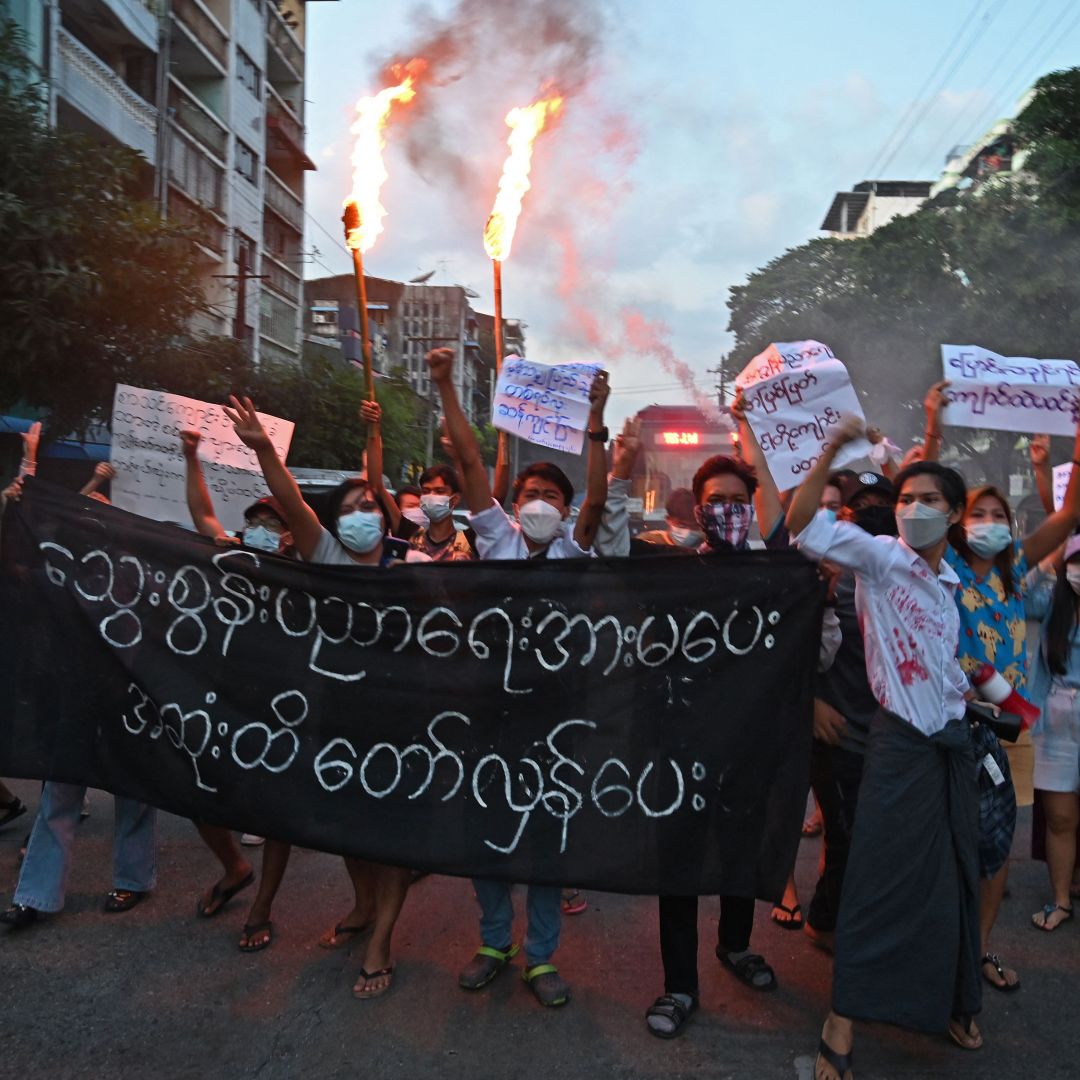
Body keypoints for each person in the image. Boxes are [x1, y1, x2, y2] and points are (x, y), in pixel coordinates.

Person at [787, 418, 982, 1080]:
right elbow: (803, 524)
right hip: (897, 744)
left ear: (954, 513)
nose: (915, 510)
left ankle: (958, 999)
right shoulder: (878, 556)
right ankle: (840, 1024)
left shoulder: (952, 585)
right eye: (907, 499)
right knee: (873, 880)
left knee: (956, 869)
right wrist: (830, 451)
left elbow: (940, 663)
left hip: (948, 744)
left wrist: (974, 699)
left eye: (930, 501)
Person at [222, 394, 427, 998]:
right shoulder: (328, 556)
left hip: (399, 720)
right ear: (335, 522)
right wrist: (263, 450)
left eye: (373, 506)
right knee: (347, 828)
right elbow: (287, 500)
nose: (366, 512)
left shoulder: (413, 564)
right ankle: (363, 906)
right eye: (354, 507)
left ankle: (382, 940)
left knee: (388, 837)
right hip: (336, 717)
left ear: (387, 519)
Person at [427, 345, 609, 1008]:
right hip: (488, 714)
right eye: (530, 494)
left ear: (566, 508)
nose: (539, 502)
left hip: (556, 719)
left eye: (551, 496)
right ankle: (494, 941)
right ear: (514, 502)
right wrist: (446, 384)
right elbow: (471, 462)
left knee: (547, 838)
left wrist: (597, 422)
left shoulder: (572, 548)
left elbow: (600, 497)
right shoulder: (497, 537)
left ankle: (540, 957)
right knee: (486, 832)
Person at [645, 449, 812, 1038]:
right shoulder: (673, 571)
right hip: (680, 747)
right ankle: (678, 986)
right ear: (698, 506)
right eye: (716, 501)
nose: (729, 511)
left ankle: (735, 946)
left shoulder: (778, 574)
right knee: (680, 866)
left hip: (749, 747)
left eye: (739, 502)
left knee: (741, 849)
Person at [923, 383, 1080, 990]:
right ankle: (940, 955)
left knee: (997, 855)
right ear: (957, 524)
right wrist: (934, 429)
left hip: (1010, 732)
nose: (988, 523)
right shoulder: (944, 567)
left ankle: (977, 953)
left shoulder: (1015, 573)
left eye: (998, 515)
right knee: (945, 847)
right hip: (953, 727)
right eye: (976, 514)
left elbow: (1069, 514)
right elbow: (921, 492)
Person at [179, 429, 296, 950]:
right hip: (225, 700)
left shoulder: (305, 573)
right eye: (256, 521)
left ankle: (262, 909)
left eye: (273, 523)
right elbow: (203, 515)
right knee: (200, 794)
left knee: (276, 815)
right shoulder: (231, 555)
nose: (262, 529)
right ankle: (234, 868)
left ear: (290, 535)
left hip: (281, 708)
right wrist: (189, 459)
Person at [803, 473, 898, 954]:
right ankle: (826, 923)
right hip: (838, 734)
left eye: (883, 502)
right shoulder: (821, 573)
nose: (872, 511)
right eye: (860, 506)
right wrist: (811, 703)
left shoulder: (910, 575)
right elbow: (784, 651)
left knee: (881, 840)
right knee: (846, 840)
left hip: (894, 736)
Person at [1023, 534, 1080, 932]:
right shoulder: (1051, 602)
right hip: (1055, 723)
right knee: (1060, 818)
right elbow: (1015, 593)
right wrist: (1051, 556)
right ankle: (1061, 899)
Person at [635, 488, 702, 548]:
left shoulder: (705, 545)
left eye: (694, 527)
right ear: (668, 519)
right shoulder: (648, 541)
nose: (688, 532)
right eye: (682, 526)